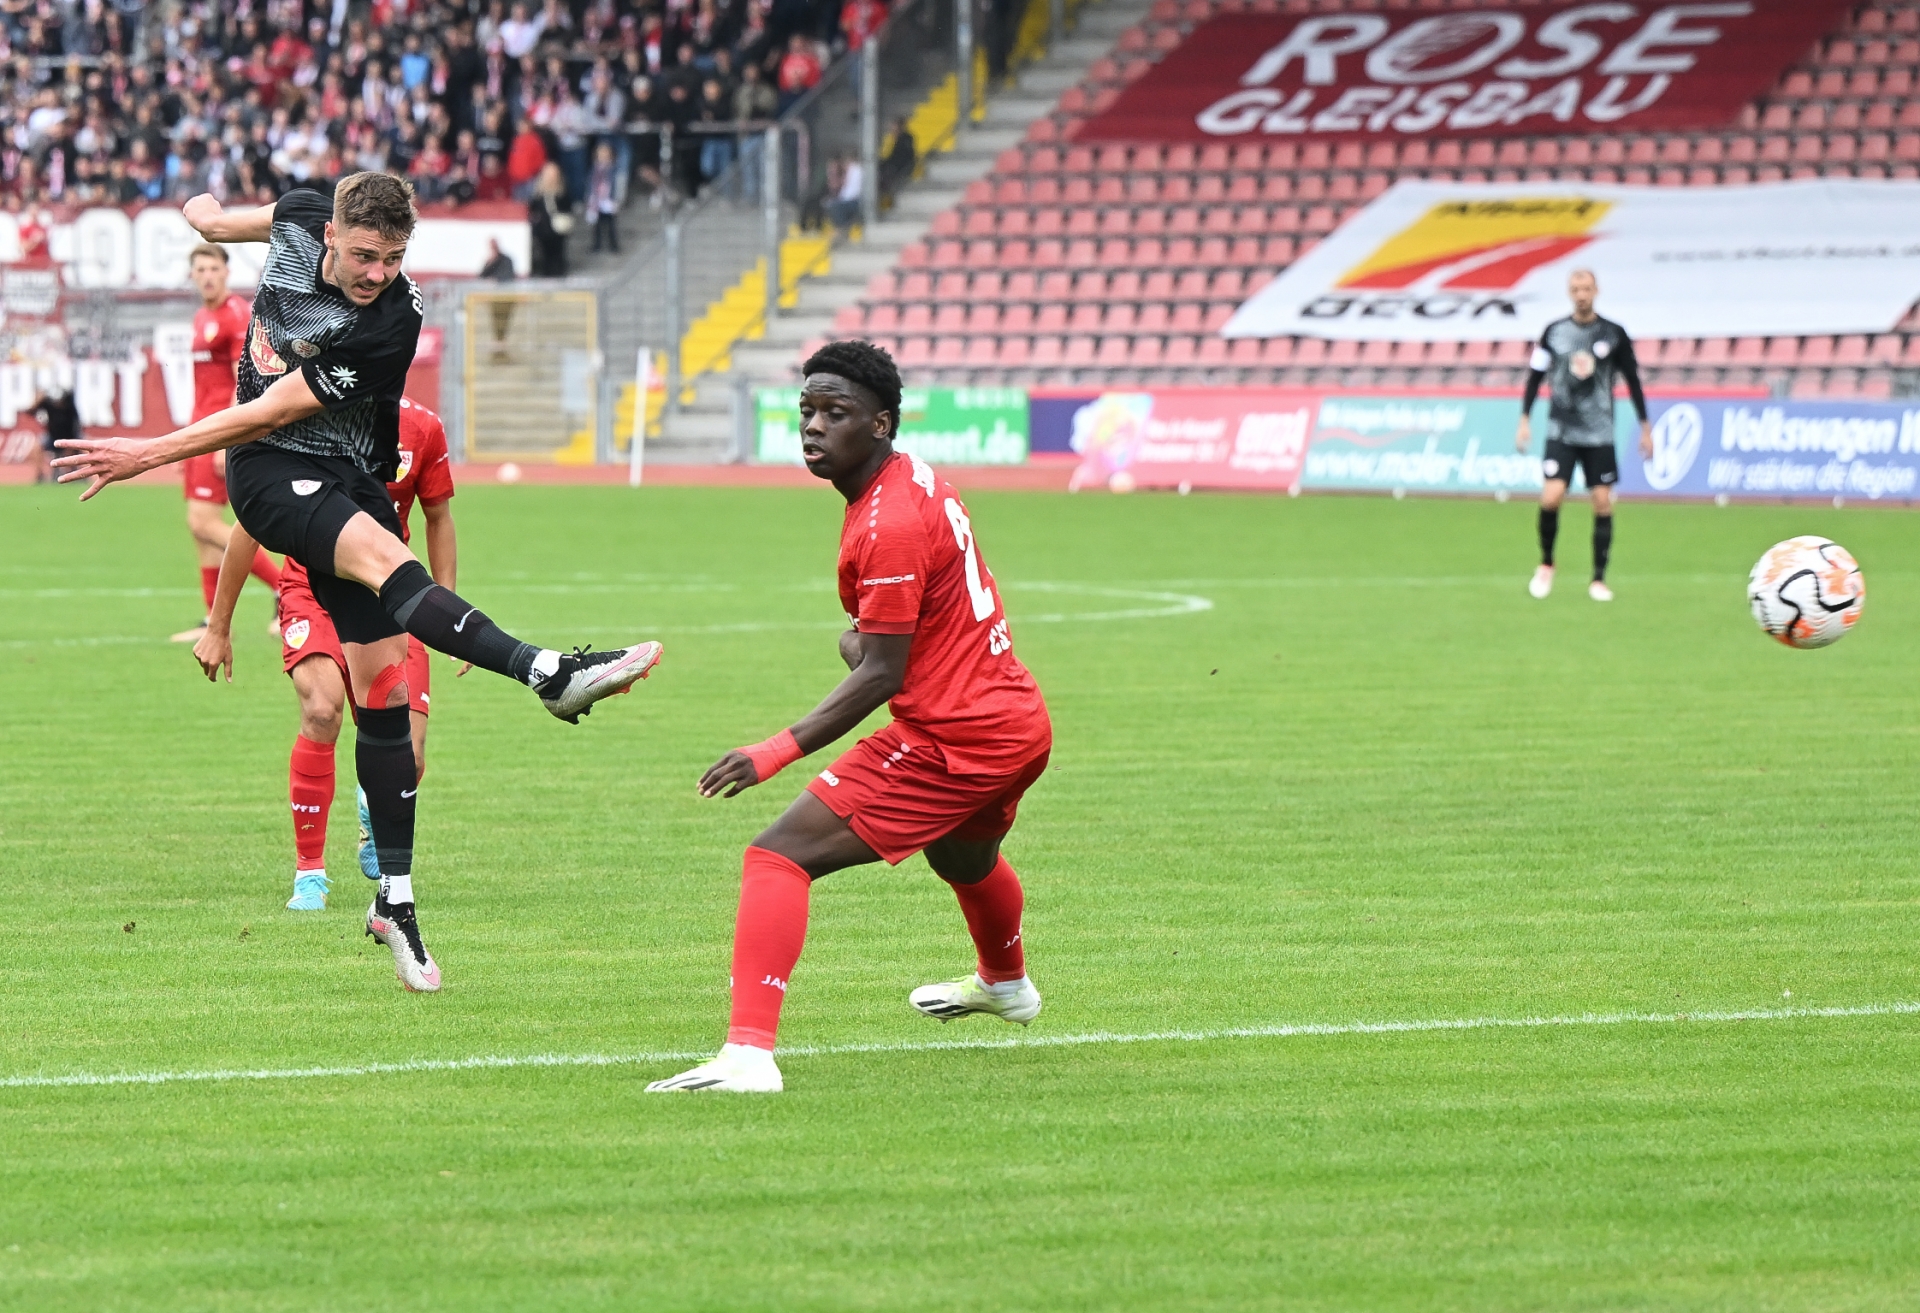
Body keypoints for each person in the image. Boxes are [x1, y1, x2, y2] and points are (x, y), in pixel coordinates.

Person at [53, 173, 662, 995]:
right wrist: (199, 209)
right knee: (387, 568)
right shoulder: (300, 215)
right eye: (368, 255)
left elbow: (279, 403)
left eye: (395, 258)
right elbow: (225, 252)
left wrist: (145, 451)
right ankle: (547, 671)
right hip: (269, 471)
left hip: (349, 476)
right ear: (331, 232)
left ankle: (394, 902)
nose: (380, 273)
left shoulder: (394, 320)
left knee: (384, 693)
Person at [648, 341, 1051, 1094]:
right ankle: (1006, 984)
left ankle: (748, 1056)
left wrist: (772, 750)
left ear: (881, 423)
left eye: (836, 412)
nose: (813, 426)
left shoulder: (887, 522)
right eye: (807, 410)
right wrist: (865, 641)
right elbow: (891, 641)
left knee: (778, 856)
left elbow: (881, 673)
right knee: (962, 859)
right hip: (1013, 720)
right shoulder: (910, 479)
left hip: (957, 737)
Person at [196, 397, 455, 916]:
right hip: (310, 587)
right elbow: (249, 524)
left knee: (409, 756)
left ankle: (371, 805)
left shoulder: (424, 428)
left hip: (390, 590)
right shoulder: (306, 417)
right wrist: (219, 625)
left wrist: (446, 614)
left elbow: (438, 517)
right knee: (320, 710)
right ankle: (309, 873)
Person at [1516, 268, 1652, 603]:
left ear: (1596, 291)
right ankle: (1546, 563)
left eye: (1586, 288)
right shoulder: (1553, 332)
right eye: (1576, 288)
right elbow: (1535, 376)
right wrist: (1524, 418)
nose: (1581, 294)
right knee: (1551, 497)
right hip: (1561, 429)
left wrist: (1645, 426)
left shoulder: (1614, 333)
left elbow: (1633, 379)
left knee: (1603, 503)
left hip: (1599, 432)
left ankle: (1598, 579)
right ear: (1569, 292)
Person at [175, 243, 284, 643]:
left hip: (219, 431)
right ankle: (212, 619)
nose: (207, 276)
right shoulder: (202, 316)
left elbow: (245, 381)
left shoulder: (236, 315)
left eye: (213, 268)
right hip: (200, 429)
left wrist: (226, 441)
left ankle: (284, 588)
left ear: (226, 272)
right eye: (200, 269)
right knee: (200, 530)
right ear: (192, 275)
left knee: (203, 522)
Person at [529, 161, 573, 277]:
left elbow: (567, 207)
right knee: (545, 250)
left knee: (558, 250)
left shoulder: (562, 191)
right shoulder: (539, 191)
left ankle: (559, 270)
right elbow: (534, 207)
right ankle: (547, 270)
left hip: (558, 226)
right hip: (543, 227)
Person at [587, 140, 620, 253]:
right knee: (597, 225)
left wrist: (615, 199)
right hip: (596, 200)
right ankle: (596, 245)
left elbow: (615, 184)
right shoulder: (594, 168)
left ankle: (614, 245)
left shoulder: (613, 168)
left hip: (608, 200)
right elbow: (591, 183)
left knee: (611, 224)